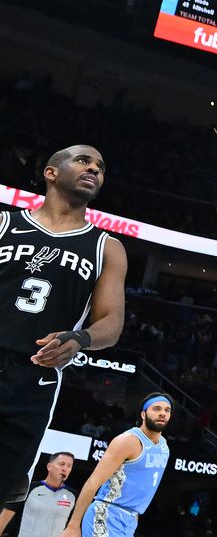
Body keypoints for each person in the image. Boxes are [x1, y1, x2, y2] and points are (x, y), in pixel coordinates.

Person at [0, 146, 127, 511]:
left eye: (100, 167)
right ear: (51, 173)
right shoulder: (5, 225)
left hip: (33, 379)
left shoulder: (107, 248)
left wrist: (81, 338)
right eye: (83, 161)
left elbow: (112, 323)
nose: (94, 169)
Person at [58, 396, 170, 537]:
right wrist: (73, 525)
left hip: (130, 520)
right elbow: (93, 482)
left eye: (167, 410)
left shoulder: (164, 447)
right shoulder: (128, 441)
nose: (163, 413)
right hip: (106, 514)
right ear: (143, 414)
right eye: (156, 409)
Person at [0, 453, 75, 537]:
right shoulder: (29, 489)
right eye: (62, 464)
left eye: (69, 466)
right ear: (49, 466)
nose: (65, 469)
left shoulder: (74, 496)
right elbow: (6, 514)